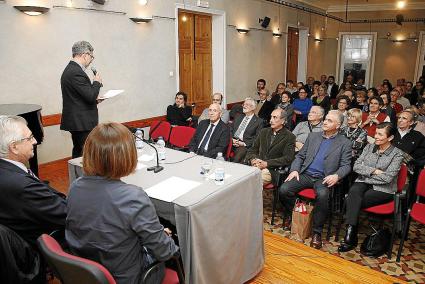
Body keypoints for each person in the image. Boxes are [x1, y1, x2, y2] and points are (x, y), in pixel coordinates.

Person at [66, 122, 178, 283]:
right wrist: (165, 239)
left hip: (86, 272)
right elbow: (164, 252)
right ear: (127, 156)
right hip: (128, 277)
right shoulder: (133, 196)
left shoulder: (75, 187)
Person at [279, 110, 352, 249]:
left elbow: (346, 165)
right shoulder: (313, 136)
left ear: (338, 125)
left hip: (324, 178)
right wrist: (294, 170)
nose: (325, 122)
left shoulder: (344, 143)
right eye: (325, 119)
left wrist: (337, 175)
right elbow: (300, 156)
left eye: (330, 121)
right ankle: (297, 215)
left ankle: (317, 232)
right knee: (284, 189)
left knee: (323, 195)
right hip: (305, 174)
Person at [0, 115, 67, 246]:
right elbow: (66, 214)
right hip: (43, 247)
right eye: (29, 138)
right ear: (14, 147)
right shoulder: (22, 185)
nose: (35, 141)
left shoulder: (8, 171)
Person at [338, 123, 404, 252]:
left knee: (350, 200)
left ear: (390, 138)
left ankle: (350, 235)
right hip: (363, 182)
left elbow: (388, 178)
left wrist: (366, 172)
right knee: (354, 192)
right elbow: (356, 166)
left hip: (384, 189)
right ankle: (351, 233)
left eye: (380, 134)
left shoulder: (397, 154)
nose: (376, 136)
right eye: (376, 133)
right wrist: (374, 171)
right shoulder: (369, 147)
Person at [60, 41, 103, 158]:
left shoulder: (71, 70)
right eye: (91, 57)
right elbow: (90, 95)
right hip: (81, 123)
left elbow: (80, 98)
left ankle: (78, 176)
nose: (91, 60)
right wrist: (97, 82)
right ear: (85, 55)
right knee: (85, 155)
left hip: (79, 122)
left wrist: (95, 100)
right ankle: (83, 176)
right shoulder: (75, 72)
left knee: (80, 153)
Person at [245, 108, 295, 184]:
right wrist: (253, 160)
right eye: (271, 117)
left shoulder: (289, 136)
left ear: (283, 121)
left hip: (271, 169)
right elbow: (252, 149)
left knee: (252, 183)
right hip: (256, 165)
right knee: (239, 180)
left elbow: (288, 158)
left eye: (275, 117)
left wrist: (267, 163)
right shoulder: (263, 131)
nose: (271, 120)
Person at [230, 98, 263, 163]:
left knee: (237, 158)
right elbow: (230, 129)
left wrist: (243, 143)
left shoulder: (259, 121)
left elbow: (257, 138)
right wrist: (231, 139)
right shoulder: (238, 116)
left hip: (244, 145)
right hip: (231, 141)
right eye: (244, 104)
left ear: (253, 107)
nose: (244, 106)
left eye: (247, 104)